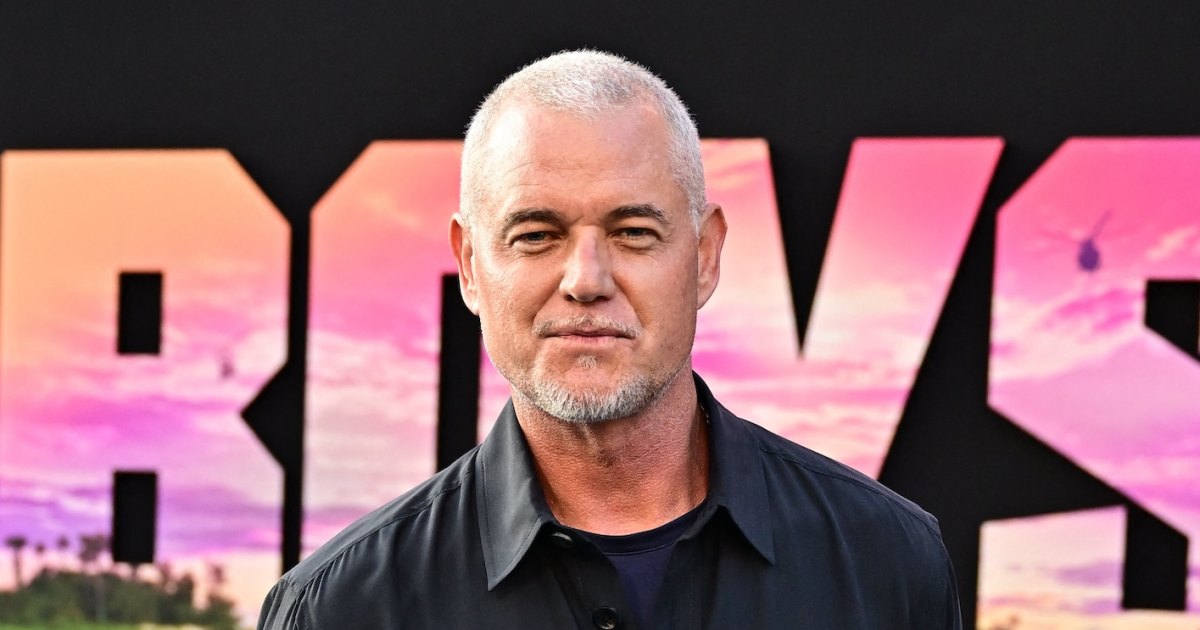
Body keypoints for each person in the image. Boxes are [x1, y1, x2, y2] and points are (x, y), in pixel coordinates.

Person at [258, 49, 962, 629]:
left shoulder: (887, 563)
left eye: (633, 232)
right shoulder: (339, 610)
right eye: (537, 235)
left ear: (705, 256)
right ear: (470, 265)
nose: (586, 280)